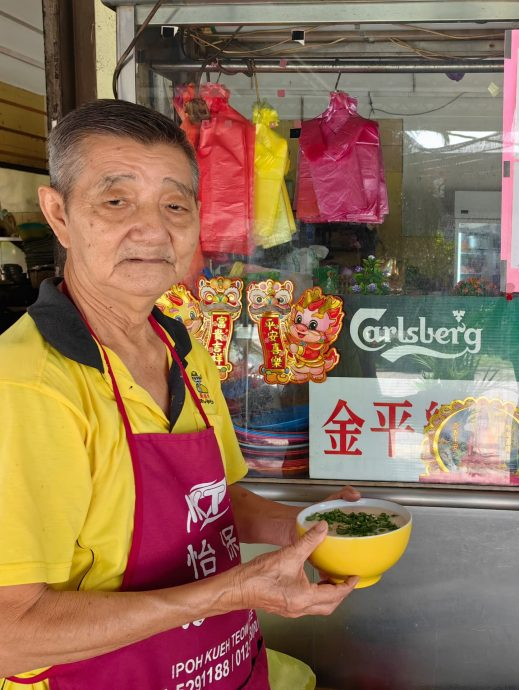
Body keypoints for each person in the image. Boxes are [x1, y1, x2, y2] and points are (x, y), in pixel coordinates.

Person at [0, 99, 358, 689]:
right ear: (58, 215)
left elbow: (210, 499)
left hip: (225, 669)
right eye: (116, 201)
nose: (153, 229)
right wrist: (227, 594)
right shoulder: (31, 387)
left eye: (174, 204)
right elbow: (11, 632)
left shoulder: (181, 347)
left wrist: (297, 528)